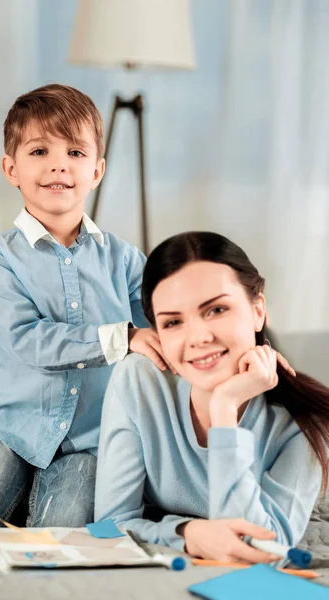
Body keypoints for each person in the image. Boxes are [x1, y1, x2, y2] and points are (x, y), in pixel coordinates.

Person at [0, 84, 168, 531]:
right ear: (11, 168)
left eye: (75, 153)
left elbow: (164, 315)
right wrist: (124, 338)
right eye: (40, 150)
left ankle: (25, 496)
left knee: (63, 529)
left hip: (89, 439)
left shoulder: (123, 258)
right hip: (11, 426)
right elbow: (27, 339)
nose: (59, 163)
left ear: (97, 171)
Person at [95, 231, 329, 564]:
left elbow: (262, 553)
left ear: (258, 310)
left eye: (216, 310)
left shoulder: (305, 421)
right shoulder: (140, 380)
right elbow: (110, 525)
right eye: (173, 322)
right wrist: (187, 534)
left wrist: (225, 410)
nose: (199, 337)